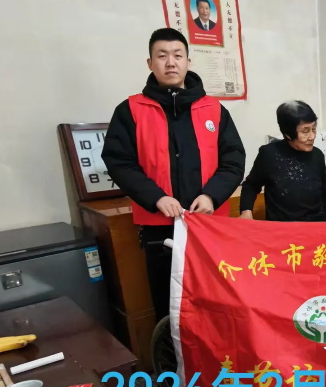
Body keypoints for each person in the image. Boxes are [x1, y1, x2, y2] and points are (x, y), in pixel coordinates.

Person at [101, 28, 246, 322]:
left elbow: (233, 160)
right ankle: (173, 353)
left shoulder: (214, 110)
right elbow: (119, 162)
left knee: (217, 301)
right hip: (159, 229)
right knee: (170, 307)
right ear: (150, 63)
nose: (170, 62)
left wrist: (211, 196)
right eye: (162, 56)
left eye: (178, 55)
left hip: (209, 225)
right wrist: (156, 197)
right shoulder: (130, 111)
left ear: (188, 62)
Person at [239, 101, 326, 222]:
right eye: (305, 131)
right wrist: (246, 212)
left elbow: (324, 195)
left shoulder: (317, 156)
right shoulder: (269, 155)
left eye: (313, 129)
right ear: (288, 134)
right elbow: (251, 186)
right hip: (282, 228)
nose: (312, 136)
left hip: (315, 226)